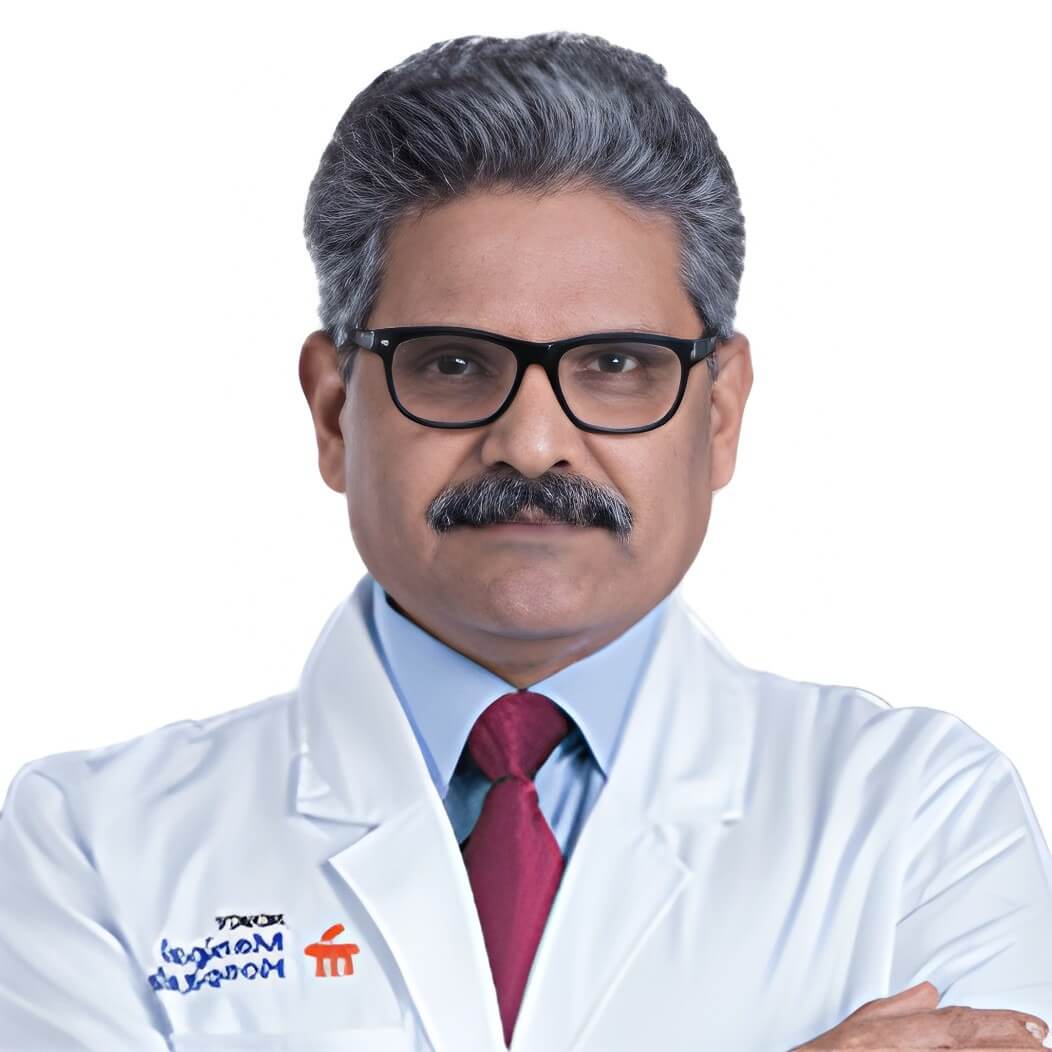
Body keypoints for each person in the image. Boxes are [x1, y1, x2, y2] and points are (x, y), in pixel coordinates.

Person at [1, 29, 1050, 1052]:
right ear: (333, 412)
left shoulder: (921, 815)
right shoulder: (87, 847)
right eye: (452, 363)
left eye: (616, 364)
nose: (533, 442)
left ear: (720, 413)